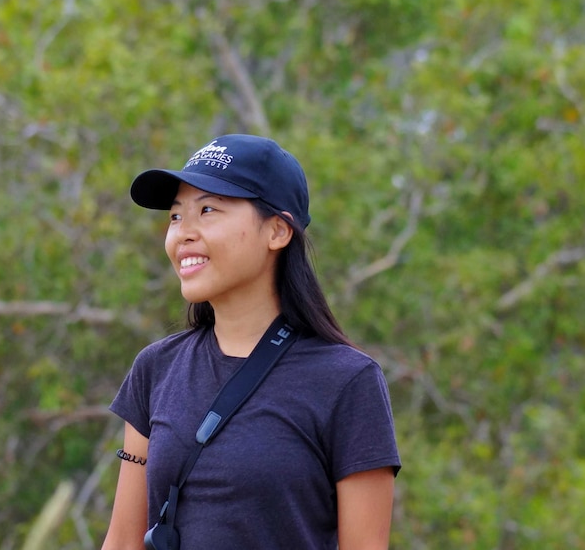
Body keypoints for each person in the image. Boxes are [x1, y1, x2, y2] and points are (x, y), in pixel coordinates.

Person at [101, 134, 401, 550]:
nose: (183, 233)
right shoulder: (156, 368)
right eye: (175, 217)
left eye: (207, 210)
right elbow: (122, 542)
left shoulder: (347, 381)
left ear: (277, 230)